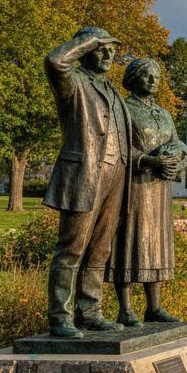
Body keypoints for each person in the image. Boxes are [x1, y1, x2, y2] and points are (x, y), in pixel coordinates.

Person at [43, 27, 131, 338]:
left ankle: (90, 309)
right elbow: (55, 61)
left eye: (111, 49)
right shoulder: (73, 82)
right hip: (85, 174)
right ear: (86, 50)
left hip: (115, 174)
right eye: (101, 48)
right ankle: (60, 315)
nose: (109, 54)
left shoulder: (111, 89)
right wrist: (88, 38)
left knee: (100, 249)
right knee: (72, 248)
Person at [110, 58, 187, 325]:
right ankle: (126, 308)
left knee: (157, 244)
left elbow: (178, 143)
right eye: (147, 76)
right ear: (133, 79)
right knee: (130, 241)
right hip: (134, 187)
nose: (153, 81)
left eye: (156, 76)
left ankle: (154, 306)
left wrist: (175, 160)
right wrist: (149, 160)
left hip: (159, 190)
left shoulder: (164, 114)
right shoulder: (123, 109)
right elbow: (117, 146)